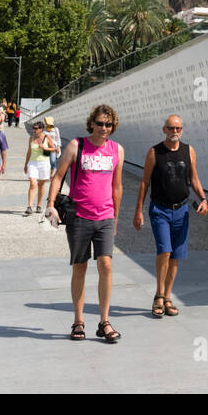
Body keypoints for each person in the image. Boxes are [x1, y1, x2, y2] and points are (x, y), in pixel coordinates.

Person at [47, 105, 124, 343]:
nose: (104, 129)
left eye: (108, 125)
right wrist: (50, 205)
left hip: (105, 217)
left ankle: (104, 321)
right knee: (79, 267)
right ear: (91, 123)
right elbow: (58, 176)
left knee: (106, 265)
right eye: (100, 124)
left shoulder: (117, 150)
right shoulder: (76, 146)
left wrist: (116, 218)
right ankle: (78, 321)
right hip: (79, 216)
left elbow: (117, 187)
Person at [134, 114, 207, 318]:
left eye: (178, 129)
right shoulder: (154, 152)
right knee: (164, 251)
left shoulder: (188, 150)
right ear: (164, 130)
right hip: (160, 210)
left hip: (182, 210)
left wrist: (203, 199)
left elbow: (194, 179)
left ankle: (167, 297)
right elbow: (144, 183)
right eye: (171, 128)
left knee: (175, 256)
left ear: (181, 130)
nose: (175, 132)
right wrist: (138, 210)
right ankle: (158, 294)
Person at [22, 121, 56, 216]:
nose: (34, 130)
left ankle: (39, 205)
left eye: (36, 128)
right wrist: (26, 164)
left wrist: (45, 148)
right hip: (33, 163)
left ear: (41, 129)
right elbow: (29, 152)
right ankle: (29, 206)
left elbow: (54, 149)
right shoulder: (31, 138)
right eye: (33, 128)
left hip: (44, 163)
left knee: (41, 185)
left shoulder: (46, 137)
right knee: (33, 183)